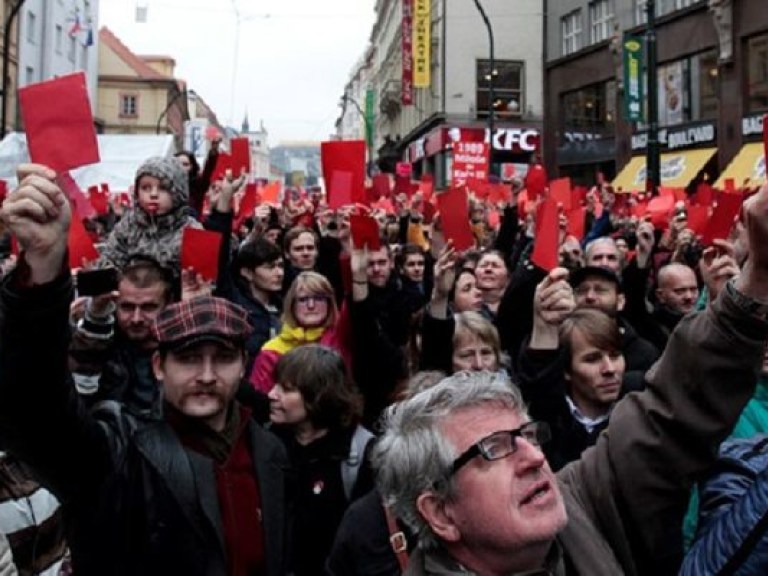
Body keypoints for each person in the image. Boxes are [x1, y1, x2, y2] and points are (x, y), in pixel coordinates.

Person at [371, 181, 768, 575]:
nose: (536, 457)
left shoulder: (579, 509)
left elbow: (669, 414)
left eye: (527, 436)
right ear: (439, 512)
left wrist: (757, 278)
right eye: (495, 448)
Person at [0, 162, 292, 575]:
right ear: (159, 365)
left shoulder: (271, 454)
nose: (206, 375)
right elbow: (34, 410)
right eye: (188, 359)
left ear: (244, 365)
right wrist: (43, 276)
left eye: (223, 359)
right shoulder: (122, 451)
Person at [268, 345, 374, 576]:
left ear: (318, 396)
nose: (272, 395)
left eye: (286, 390)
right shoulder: (267, 443)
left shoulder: (360, 452)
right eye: (275, 385)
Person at [69, 255, 174, 417]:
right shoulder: (102, 344)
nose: (136, 318)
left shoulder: (179, 350)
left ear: (168, 306)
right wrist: (95, 318)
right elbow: (80, 395)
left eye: (148, 307)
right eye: (127, 307)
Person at [97, 156, 202, 273]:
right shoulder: (127, 226)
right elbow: (110, 263)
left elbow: (202, 281)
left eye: (163, 188)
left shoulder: (194, 231)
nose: (153, 194)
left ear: (178, 192)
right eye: (145, 188)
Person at [250, 271, 349, 394]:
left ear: (329, 303)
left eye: (318, 298)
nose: (311, 305)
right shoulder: (271, 352)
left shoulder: (342, 335)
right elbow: (258, 403)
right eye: (303, 299)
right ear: (292, 305)